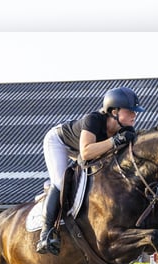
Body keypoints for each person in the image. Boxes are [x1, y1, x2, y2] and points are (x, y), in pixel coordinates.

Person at [35, 86, 145, 255]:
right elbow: (86, 153)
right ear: (114, 111)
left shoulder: (127, 131)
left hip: (84, 149)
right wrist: (114, 141)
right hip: (59, 143)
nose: (134, 115)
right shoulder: (93, 120)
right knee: (60, 181)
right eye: (130, 111)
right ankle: (46, 234)